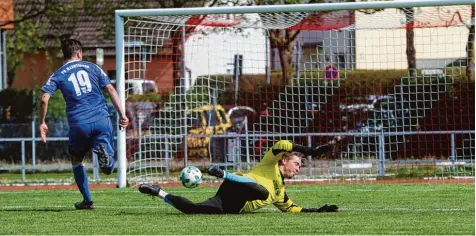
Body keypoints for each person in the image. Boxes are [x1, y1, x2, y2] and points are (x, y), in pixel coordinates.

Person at [39, 39, 129, 210]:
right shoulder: (93, 67)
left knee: (76, 160)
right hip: (102, 119)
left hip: (79, 123)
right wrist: (122, 114)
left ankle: (87, 201)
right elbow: (110, 89)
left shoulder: (57, 74)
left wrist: (42, 122)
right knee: (108, 168)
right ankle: (106, 159)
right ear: (79, 53)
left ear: (64, 54)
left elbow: (44, 98)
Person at [138, 140, 339, 214]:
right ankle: (223, 173)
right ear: (283, 161)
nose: (299, 168)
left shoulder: (280, 192)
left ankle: (158, 191)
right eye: (297, 163)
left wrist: (318, 210)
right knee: (261, 191)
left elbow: (292, 208)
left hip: (232, 204)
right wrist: (311, 151)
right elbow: (282, 144)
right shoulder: (269, 163)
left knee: (194, 209)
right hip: (235, 184)